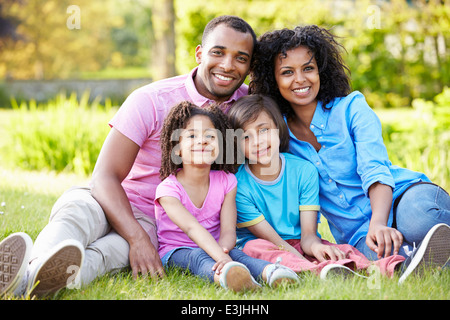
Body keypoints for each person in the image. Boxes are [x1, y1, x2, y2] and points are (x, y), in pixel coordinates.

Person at [0, 15, 257, 298]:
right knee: (74, 215)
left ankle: (30, 285)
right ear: (199, 53)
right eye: (218, 52)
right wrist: (136, 238)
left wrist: (142, 237)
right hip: (106, 198)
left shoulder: (246, 111)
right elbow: (105, 176)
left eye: (240, 58)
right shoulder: (151, 99)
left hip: (151, 218)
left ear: (249, 67)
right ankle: (32, 269)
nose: (227, 65)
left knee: (107, 255)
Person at [249, 25, 450, 282]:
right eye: (287, 72)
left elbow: (374, 169)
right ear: (273, 80)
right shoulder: (277, 136)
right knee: (381, 258)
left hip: (404, 197)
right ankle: (422, 261)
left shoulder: (352, 108)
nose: (300, 79)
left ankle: (422, 248)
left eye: (308, 68)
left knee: (420, 223)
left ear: (321, 70)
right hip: (357, 233)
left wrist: (379, 223)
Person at [227, 94, 404, 278]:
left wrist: (316, 248)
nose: (258, 141)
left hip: (300, 242)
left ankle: (387, 267)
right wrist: (302, 259)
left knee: (337, 250)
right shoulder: (238, 185)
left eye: (264, 130)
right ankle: (317, 271)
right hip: (266, 244)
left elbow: (308, 237)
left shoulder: (304, 171)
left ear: (278, 128)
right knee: (256, 247)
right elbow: (274, 241)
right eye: (246, 137)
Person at [155, 101, 298, 291]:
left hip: (217, 246)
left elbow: (229, 230)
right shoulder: (168, 190)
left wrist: (224, 249)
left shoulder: (227, 181)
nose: (203, 141)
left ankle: (271, 272)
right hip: (177, 251)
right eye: (191, 136)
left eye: (210, 136)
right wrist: (221, 257)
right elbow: (192, 228)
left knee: (239, 255)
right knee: (198, 257)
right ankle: (228, 276)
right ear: (177, 148)